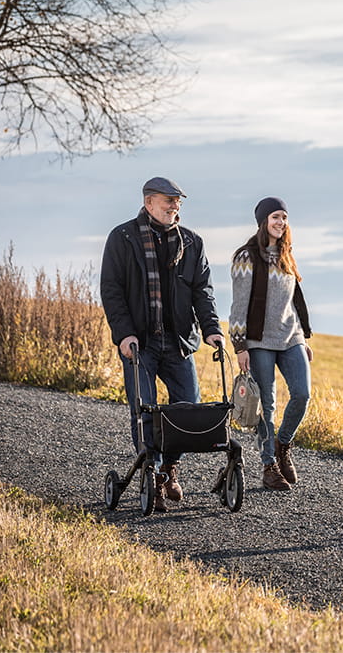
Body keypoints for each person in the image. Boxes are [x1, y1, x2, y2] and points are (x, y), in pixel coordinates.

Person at [100, 176, 224, 512]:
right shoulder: (123, 238)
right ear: (149, 202)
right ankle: (152, 474)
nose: (174, 206)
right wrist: (124, 334)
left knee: (188, 407)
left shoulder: (191, 242)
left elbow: (203, 291)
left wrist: (212, 329)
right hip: (139, 342)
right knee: (144, 410)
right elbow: (111, 290)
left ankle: (170, 468)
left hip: (178, 341)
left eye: (177, 201)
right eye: (168, 200)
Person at [229, 197, 313, 491]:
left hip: (291, 338)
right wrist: (240, 346)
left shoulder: (286, 254)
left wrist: (303, 337)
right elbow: (239, 305)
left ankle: (283, 444)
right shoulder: (246, 256)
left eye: (284, 218)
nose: (281, 223)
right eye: (276, 217)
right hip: (259, 340)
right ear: (264, 221)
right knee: (266, 405)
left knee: (302, 394)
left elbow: (292, 302)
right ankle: (268, 466)